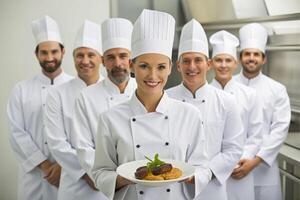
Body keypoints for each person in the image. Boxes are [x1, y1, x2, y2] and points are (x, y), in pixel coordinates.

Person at [92, 9, 212, 200]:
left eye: (161, 67)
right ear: (131, 66)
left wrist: (188, 176)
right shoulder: (110, 118)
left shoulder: (189, 114)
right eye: (144, 66)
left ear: (171, 68)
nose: (153, 76)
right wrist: (127, 178)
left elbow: (203, 169)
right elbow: (100, 173)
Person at [166, 19, 244, 200]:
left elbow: (234, 148)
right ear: (178, 66)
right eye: (186, 61)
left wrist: (205, 172)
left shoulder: (226, 101)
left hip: (212, 189)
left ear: (208, 64)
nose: (192, 67)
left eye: (197, 60)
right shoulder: (164, 99)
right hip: (173, 187)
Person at [6, 15, 73, 200]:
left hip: (68, 174)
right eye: (44, 52)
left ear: (63, 52)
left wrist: (62, 165)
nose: (49, 57)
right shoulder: (21, 90)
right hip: (34, 176)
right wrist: (44, 165)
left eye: (54, 51)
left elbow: (80, 132)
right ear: (36, 54)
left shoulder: (75, 87)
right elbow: (16, 133)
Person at [44, 20, 107, 199]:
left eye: (90, 55)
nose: (85, 61)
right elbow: (57, 143)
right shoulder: (57, 94)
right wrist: (87, 174)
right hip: (74, 184)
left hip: (109, 182)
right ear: (72, 57)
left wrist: (101, 175)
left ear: (100, 58)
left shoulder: (113, 91)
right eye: (79, 55)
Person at [71, 18, 136, 176]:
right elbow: (83, 146)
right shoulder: (85, 97)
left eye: (123, 56)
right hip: (102, 180)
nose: (118, 63)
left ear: (131, 60)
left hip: (139, 180)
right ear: (102, 61)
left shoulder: (144, 90)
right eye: (111, 57)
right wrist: (108, 178)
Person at [235, 23, 291, 200]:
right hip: (233, 167)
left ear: (263, 58)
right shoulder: (228, 87)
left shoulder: (277, 89)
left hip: (264, 168)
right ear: (240, 57)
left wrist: (255, 160)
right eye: (247, 54)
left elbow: (280, 129)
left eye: (256, 54)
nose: (251, 58)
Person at [209, 30, 263, 200]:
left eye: (228, 60)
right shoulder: (204, 95)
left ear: (236, 63)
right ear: (210, 63)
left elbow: (256, 134)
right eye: (219, 60)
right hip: (211, 172)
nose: (223, 65)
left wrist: (244, 160)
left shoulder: (250, 95)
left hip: (240, 170)